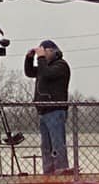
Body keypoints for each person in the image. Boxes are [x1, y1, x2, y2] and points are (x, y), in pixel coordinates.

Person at [24, 40, 72, 175]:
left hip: (55, 110)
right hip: (44, 111)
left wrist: (40, 58)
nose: (43, 55)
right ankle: (49, 170)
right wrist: (29, 58)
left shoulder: (61, 66)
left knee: (57, 143)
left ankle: (61, 168)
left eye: (44, 51)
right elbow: (30, 72)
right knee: (46, 145)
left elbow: (47, 73)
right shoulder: (44, 67)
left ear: (52, 51)